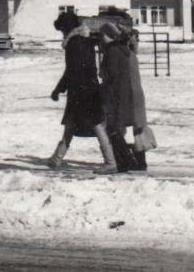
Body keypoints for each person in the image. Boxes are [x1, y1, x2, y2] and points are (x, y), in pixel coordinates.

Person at [49, 10, 114, 170]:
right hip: (88, 89)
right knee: (73, 124)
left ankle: (111, 162)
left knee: (95, 125)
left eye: (62, 29)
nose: (62, 33)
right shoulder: (83, 41)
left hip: (81, 92)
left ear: (66, 28)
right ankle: (56, 158)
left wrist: (58, 89)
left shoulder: (73, 43)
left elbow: (72, 70)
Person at [99, 20, 149, 174]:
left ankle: (124, 161)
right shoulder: (126, 50)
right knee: (136, 128)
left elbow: (112, 76)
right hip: (134, 94)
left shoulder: (113, 51)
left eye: (101, 35)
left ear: (107, 35)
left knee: (113, 127)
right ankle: (139, 162)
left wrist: (104, 88)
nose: (100, 39)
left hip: (121, 96)